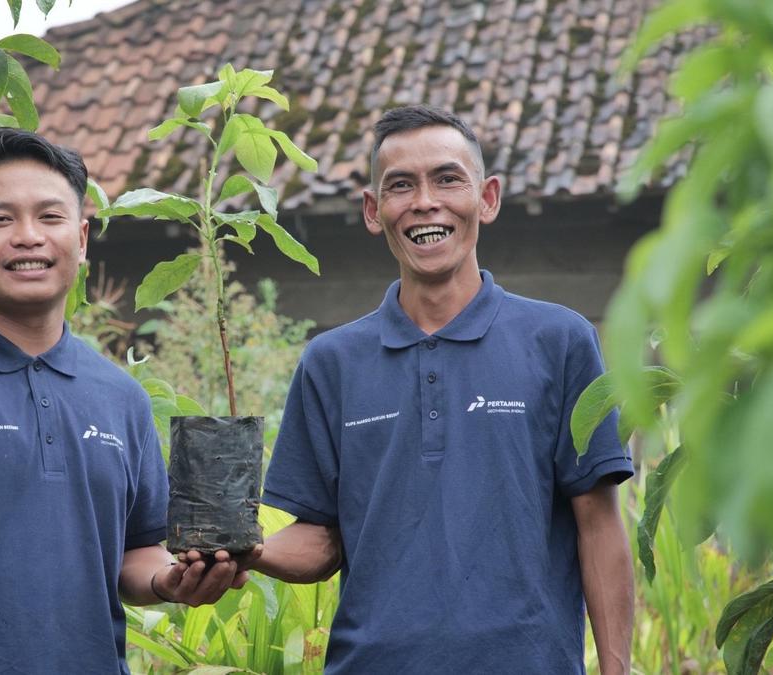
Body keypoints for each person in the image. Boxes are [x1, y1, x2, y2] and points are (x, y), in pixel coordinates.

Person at [252, 105, 635, 673]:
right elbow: (323, 541)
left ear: (487, 198)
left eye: (448, 179)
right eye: (400, 185)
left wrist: (617, 669)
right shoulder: (331, 363)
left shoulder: (559, 341)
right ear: (373, 210)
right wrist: (247, 550)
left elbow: (598, 524)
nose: (425, 201)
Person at [0, 127, 247, 674]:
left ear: (81, 240)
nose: (28, 236)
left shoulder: (119, 398)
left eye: (50, 217)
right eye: (0, 219)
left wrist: (169, 581)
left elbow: (136, 548)